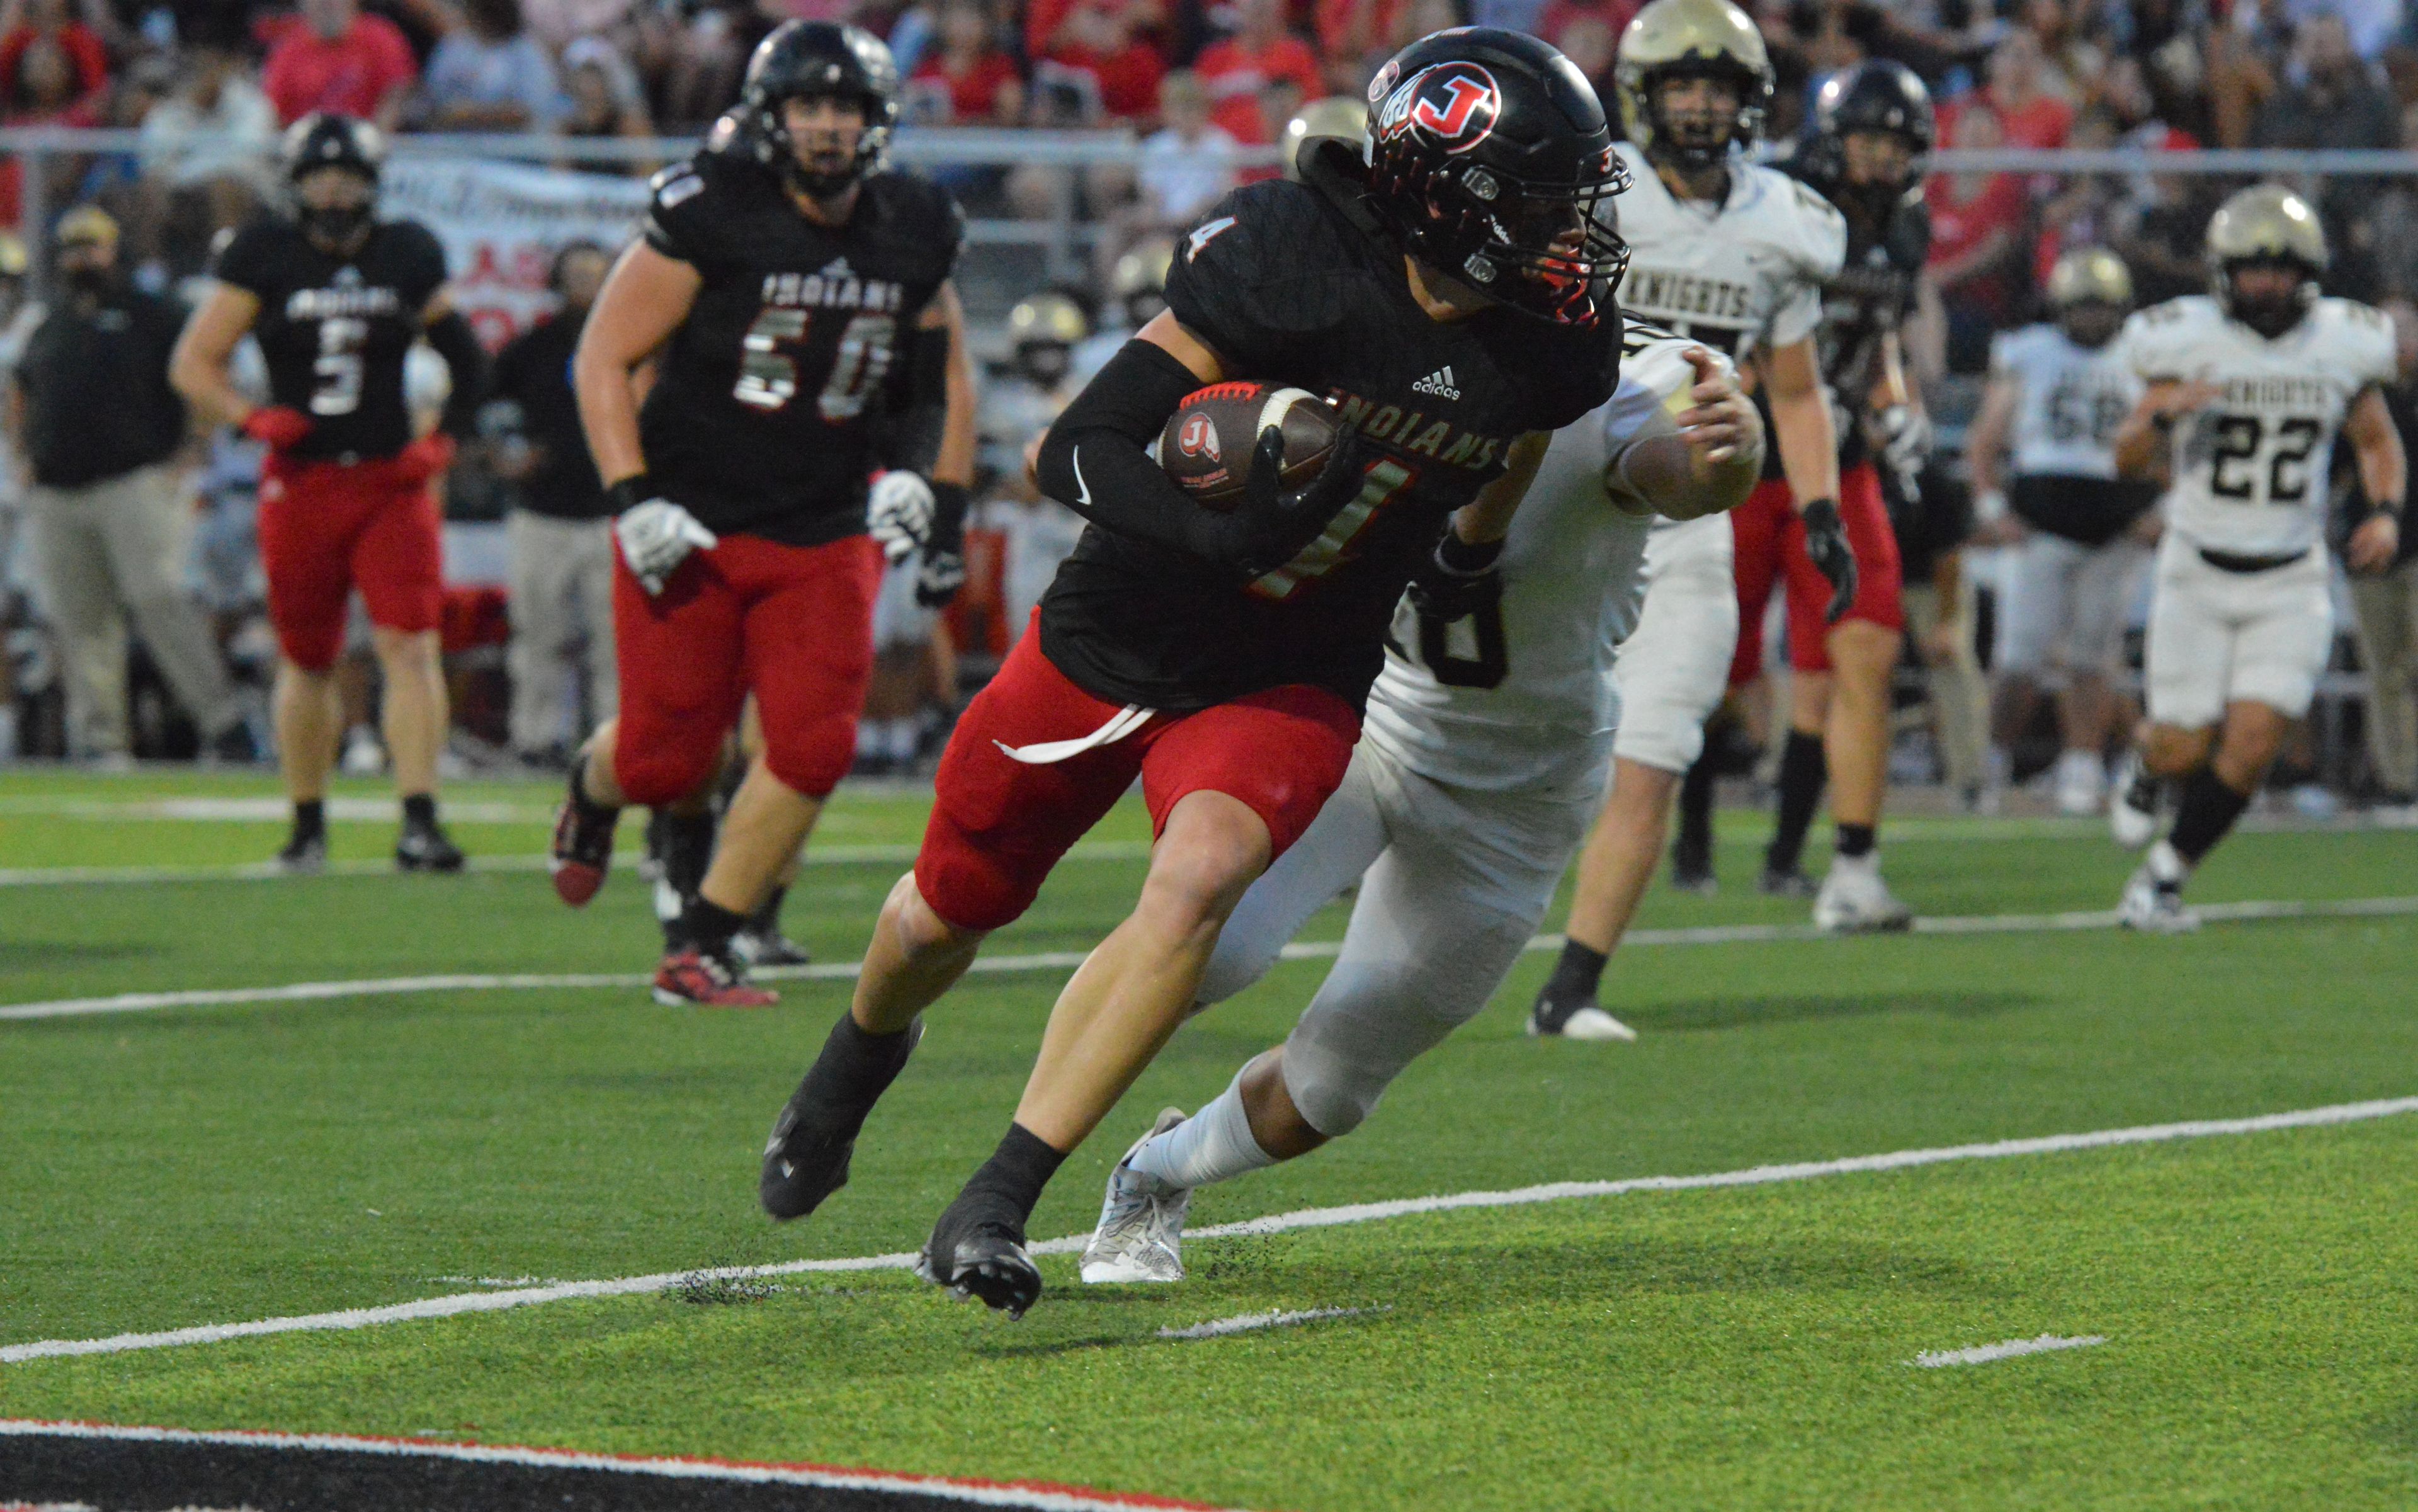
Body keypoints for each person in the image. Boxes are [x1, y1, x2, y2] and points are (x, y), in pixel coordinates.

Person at [756, 27, 1630, 1318]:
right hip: (1120, 631)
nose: (1574, 234)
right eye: (1548, 200)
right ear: (1454, 192)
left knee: (1207, 872)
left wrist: (1462, 554)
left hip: (1295, 666)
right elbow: (1078, 446)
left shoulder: (1554, 340)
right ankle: (853, 1061)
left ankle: (999, 1196)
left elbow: (1503, 438)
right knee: (943, 911)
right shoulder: (1290, 255)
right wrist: (1210, 521)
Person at [1083, 325, 1759, 1278]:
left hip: (1519, 788)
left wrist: (1741, 458)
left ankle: (1154, 1174)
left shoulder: (1642, 373)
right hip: (1365, 719)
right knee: (1203, 946)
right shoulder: (1358, 331)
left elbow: (1680, 474)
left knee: (1333, 1087)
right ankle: (1008, 1178)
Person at [545, 22, 975, 1006]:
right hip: (691, 522)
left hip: (825, 524)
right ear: (771, 115)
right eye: (809, 107)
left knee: (816, 747)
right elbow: (603, 357)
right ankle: (592, 785)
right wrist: (631, 496)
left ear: (878, 120)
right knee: (665, 759)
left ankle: (703, 940)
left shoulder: (913, 225)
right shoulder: (712, 210)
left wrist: (917, 478)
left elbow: (926, 380)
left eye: (846, 109)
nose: (827, 128)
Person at [1523, 0, 1859, 1033]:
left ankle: (1571, 987)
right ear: (1644, 92)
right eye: (1685, 85)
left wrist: (1820, 509)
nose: (1704, 106)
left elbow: (1795, 394)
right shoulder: (1590, 187)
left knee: (1659, 747)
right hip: (1562, 497)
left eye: (1721, 87)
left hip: (1691, 520)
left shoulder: (1784, 223)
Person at [171, 115, 487, 872]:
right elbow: (194, 362)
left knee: (410, 645)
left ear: (373, 184)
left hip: (388, 478)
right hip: (304, 480)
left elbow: (466, 357)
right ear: (296, 182)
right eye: (320, 175)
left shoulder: (406, 250)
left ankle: (419, 818)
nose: (334, 189)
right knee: (305, 655)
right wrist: (250, 417)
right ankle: (307, 825)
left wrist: (443, 437)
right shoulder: (264, 253)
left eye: (348, 176)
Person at [2106, 185, 2405, 930]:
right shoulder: (2184, 339)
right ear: (2221, 271)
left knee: (2253, 741)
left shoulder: (2343, 341)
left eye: (2279, 268)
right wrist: (2165, 416)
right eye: (2251, 268)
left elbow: (2375, 440)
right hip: (2197, 567)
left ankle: (2164, 878)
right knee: (2182, 744)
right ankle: (2147, 770)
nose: (2264, 284)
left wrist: (2388, 512)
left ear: (2309, 273)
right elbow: (2126, 455)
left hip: (2291, 572)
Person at [1733, 57, 1930, 919]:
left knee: (1867, 654)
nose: (1882, 160)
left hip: (1840, 463)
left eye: (1897, 145)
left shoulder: (1906, 226)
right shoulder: (1769, 204)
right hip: (1736, 460)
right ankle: (1680, 835)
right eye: (1867, 141)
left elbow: (1876, 333)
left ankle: (1852, 867)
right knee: (1715, 669)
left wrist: (1899, 401)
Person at [11, 206, 248, 765]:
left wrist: (195, 447)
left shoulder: (151, 313)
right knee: (80, 619)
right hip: (57, 490)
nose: (81, 258)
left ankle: (224, 724)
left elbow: (204, 368)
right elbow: (22, 390)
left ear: (115, 250)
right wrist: (22, 451)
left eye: (92, 247)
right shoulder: (50, 322)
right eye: (72, 248)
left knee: (160, 598)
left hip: (135, 482)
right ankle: (103, 742)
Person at [1968, 246, 2157, 815]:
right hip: (2041, 524)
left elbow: (2172, 436)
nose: (2094, 318)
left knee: (2093, 658)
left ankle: (2082, 765)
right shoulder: (2030, 353)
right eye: (2083, 306)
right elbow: (1985, 440)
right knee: (2019, 656)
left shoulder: (2143, 355)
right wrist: (1992, 507)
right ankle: (1992, 761)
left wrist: (2163, 507)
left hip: (2116, 526)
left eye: (2103, 307)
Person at [491, 240, 614, 768]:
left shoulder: (634, 343)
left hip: (613, 510)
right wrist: (506, 455)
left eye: (597, 274)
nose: (586, 284)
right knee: (539, 633)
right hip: (542, 510)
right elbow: (493, 414)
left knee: (616, 640)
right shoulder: (531, 348)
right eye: (577, 273)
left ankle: (615, 737)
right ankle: (537, 736)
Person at [261, 0, 417, 131]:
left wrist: (372, 142)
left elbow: (398, 92)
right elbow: (274, 113)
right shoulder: (288, 51)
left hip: (370, 148)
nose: (327, 4)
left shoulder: (381, 37)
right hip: (309, 154)